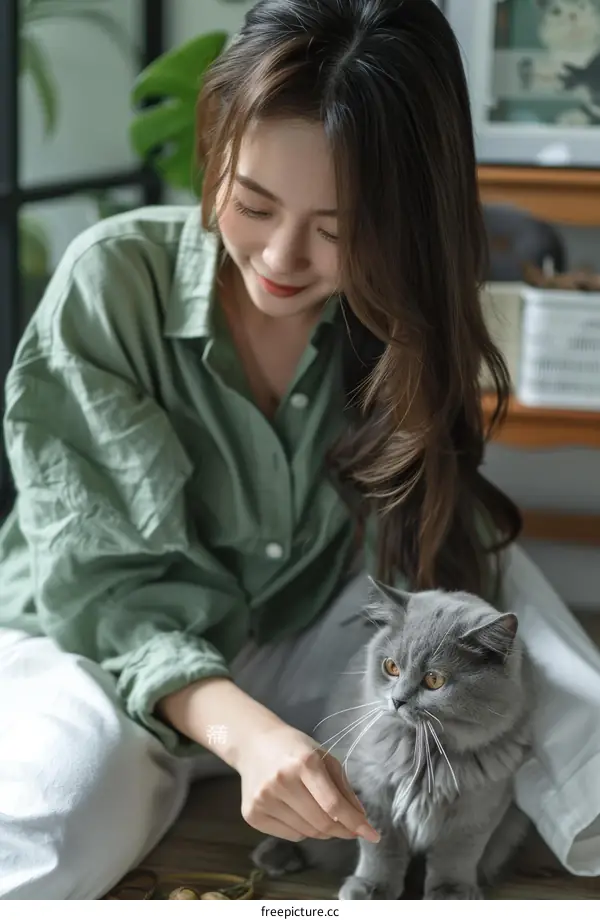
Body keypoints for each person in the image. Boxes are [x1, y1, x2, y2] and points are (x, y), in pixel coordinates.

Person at [0, 0, 599, 900]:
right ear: (216, 152)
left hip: (308, 640)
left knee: (495, 602)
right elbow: (107, 593)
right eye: (253, 204)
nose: (282, 257)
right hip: (103, 645)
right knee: (49, 836)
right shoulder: (114, 281)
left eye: (338, 229)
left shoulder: (396, 315)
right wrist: (248, 737)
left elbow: (426, 551)